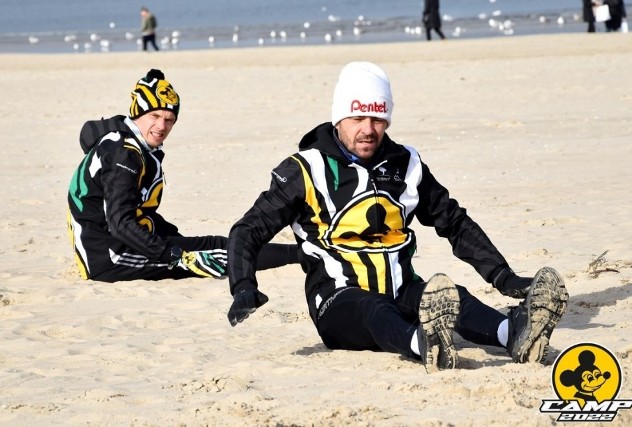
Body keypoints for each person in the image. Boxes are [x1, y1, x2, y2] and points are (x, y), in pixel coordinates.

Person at [225, 62, 569, 372]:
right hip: (338, 302)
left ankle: (515, 333)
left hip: (401, 288)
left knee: (451, 295)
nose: (368, 129)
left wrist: (503, 277)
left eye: (377, 119)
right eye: (358, 118)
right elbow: (247, 230)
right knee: (373, 308)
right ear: (338, 118)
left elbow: (454, 222)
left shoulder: (406, 164)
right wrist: (243, 286)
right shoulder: (306, 169)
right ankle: (426, 345)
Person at [67, 69, 298, 282]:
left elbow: (137, 211)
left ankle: (301, 253)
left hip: (108, 245)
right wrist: (170, 253)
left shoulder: (123, 138)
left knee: (211, 243)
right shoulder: (124, 155)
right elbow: (120, 224)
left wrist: (173, 237)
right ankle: (304, 256)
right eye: (155, 116)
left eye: (169, 119)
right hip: (110, 257)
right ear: (137, 113)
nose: (161, 126)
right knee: (220, 255)